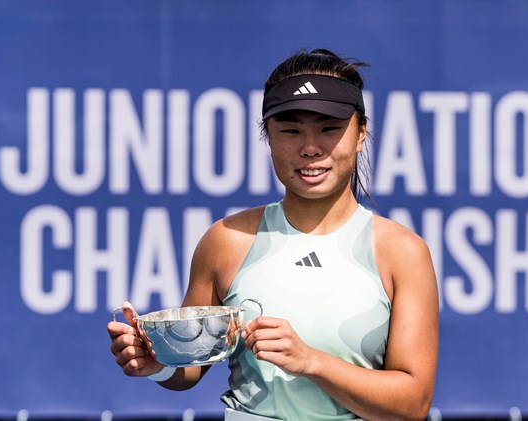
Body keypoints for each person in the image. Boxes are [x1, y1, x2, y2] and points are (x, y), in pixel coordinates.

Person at [107, 48, 439, 421]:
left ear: (361, 133)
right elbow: (192, 365)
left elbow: (413, 404)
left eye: (329, 129)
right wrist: (159, 362)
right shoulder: (225, 240)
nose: (310, 148)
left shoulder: (403, 252)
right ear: (268, 138)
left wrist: (312, 361)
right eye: (290, 130)